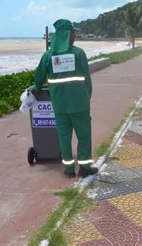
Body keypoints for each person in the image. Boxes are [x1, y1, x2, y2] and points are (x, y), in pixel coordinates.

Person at [34, 19, 98, 178]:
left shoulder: (48, 55)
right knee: (84, 137)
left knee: (64, 137)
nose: (75, 35)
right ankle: (84, 168)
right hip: (80, 104)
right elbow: (87, 80)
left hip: (60, 105)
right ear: (67, 34)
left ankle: (69, 170)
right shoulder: (78, 53)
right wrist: (87, 97)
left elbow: (39, 77)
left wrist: (36, 89)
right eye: (73, 32)